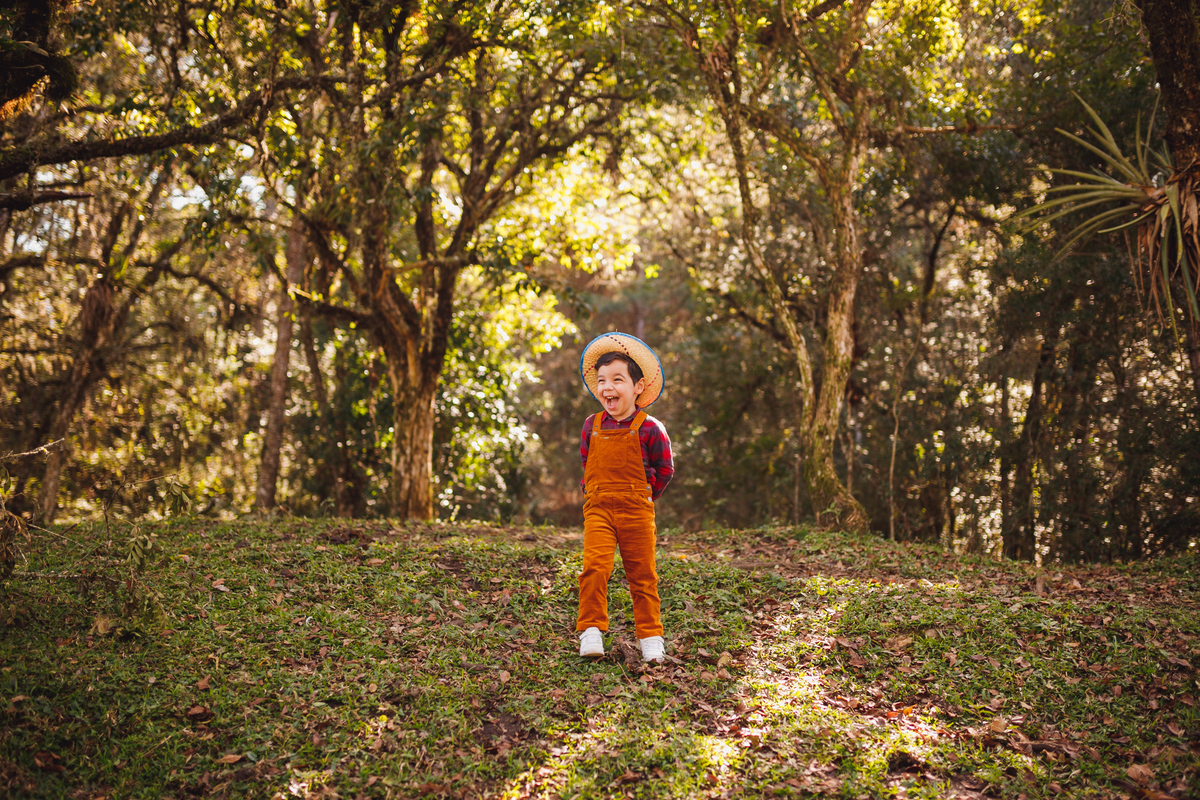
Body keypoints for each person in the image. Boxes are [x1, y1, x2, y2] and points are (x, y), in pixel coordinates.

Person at [576, 332, 674, 662]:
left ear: (638, 387)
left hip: (636, 511)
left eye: (618, 380)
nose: (607, 388)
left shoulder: (650, 428)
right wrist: (592, 491)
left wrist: (644, 496)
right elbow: (587, 462)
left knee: (642, 575)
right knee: (595, 567)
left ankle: (650, 637)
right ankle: (590, 631)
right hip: (599, 510)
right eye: (601, 380)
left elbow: (664, 469)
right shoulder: (592, 425)